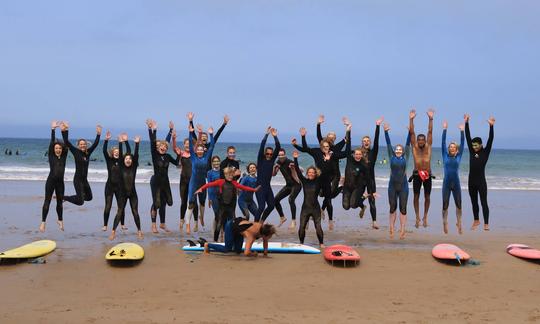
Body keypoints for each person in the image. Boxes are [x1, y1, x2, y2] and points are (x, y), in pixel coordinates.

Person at [293, 123, 351, 230]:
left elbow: (346, 153)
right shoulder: (316, 152)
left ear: (329, 146)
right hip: (317, 180)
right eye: (324, 146)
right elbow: (305, 148)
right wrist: (303, 137)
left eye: (327, 146)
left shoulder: (333, 154)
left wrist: (348, 132)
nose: (326, 148)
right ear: (321, 146)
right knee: (311, 199)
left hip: (328, 180)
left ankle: (330, 220)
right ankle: (308, 220)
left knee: (328, 200)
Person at [194, 167, 261, 242]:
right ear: (225, 175)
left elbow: (244, 187)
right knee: (219, 224)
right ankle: (215, 240)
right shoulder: (220, 182)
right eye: (228, 175)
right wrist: (201, 189)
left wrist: (254, 190)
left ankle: (231, 240)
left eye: (231, 175)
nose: (230, 176)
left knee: (232, 224)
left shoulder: (234, 183)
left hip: (231, 208)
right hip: (222, 207)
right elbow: (209, 184)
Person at [147, 119, 179, 233]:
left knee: (168, 202)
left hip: (165, 182)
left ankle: (162, 224)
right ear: (158, 147)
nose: (163, 147)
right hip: (155, 181)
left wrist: (179, 154)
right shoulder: (155, 154)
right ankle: (154, 225)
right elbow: (152, 142)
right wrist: (152, 129)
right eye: (161, 146)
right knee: (157, 203)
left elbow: (176, 163)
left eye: (165, 146)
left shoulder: (168, 156)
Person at [110, 134, 143, 240]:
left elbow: (136, 155)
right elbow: (120, 157)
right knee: (119, 212)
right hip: (122, 194)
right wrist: (120, 143)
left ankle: (139, 231)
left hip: (133, 193)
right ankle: (113, 231)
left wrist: (137, 144)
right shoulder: (121, 167)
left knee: (135, 212)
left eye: (130, 158)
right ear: (123, 161)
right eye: (126, 158)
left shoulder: (134, 168)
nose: (128, 160)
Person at [465, 114, 495, 231]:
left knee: (483, 202)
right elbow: (468, 137)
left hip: (481, 181)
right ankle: (476, 220)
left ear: (481, 145)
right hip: (471, 181)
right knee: (474, 202)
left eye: (476, 145)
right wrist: (467, 123)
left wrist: (491, 127)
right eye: (472, 145)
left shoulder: (485, 152)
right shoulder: (472, 152)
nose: (474, 147)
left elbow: (490, 139)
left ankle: (486, 223)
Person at [61, 121, 102, 206]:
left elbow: (95, 144)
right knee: (80, 202)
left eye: (84, 144)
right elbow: (66, 142)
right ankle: (64, 197)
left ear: (86, 145)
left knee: (89, 197)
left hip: (84, 180)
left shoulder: (88, 152)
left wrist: (98, 134)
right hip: (78, 180)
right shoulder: (75, 151)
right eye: (81, 144)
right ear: (78, 145)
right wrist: (65, 130)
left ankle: (76, 197)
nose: (83, 145)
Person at [184, 124, 215, 234]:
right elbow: (192, 146)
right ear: (196, 150)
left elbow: (212, 146)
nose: (200, 151)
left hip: (202, 183)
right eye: (199, 149)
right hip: (193, 183)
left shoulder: (206, 157)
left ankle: (201, 218)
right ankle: (188, 225)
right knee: (191, 203)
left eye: (202, 149)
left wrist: (211, 134)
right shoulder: (193, 157)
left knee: (202, 203)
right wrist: (190, 132)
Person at [292, 151, 325, 248]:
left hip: (315, 208)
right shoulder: (304, 181)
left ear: (315, 174)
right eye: (309, 172)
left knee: (318, 226)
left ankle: (321, 243)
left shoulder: (318, 181)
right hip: (305, 208)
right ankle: (301, 243)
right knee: (302, 226)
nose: (310, 174)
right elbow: (297, 171)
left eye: (312, 172)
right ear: (307, 173)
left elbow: (324, 170)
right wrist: (295, 159)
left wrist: (325, 160)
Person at [384, 122, 411, 239]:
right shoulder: (391, 157)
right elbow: (388, 144)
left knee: (403, 209)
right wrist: (386, 132)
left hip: (404, 187)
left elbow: (408, 143)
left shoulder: (406, 157)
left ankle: (403, 229)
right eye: (397, 149)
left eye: (400, 149)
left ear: (403, 151)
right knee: (392, 208)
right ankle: (391, 227)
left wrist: (410, 132)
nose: (398, 150)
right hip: (392, 187)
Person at [409, 108, 435, 228]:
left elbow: (430, 131)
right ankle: (417, 217)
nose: (420, 141)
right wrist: (411, 119)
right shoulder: (414, 147)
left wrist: (430, 119)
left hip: (427, 174)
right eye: (419, 140)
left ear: (425, 140)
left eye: (422, 140)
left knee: (427, 196)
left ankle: (425, 217)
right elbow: (412, 133)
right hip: (416, 174)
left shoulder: (428, 146)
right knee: (416, 196)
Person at [40, 121, 68, 232]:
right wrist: (53, 130)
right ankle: (43, 222)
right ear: (54, 149)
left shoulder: (64, 156)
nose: (58, 149)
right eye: (56, 148)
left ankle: (60, 220)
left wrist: (64, 131)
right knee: (47, 201)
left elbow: (66, 143)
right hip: (50, 181)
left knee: (59, 202)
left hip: (60, 183)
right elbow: (52, 143)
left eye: (59, 148)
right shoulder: (51, 155)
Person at [357, 117, 383, 229]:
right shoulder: (358, 154)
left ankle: (374, 222)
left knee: (372, 201)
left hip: (370, 179)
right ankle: (362, 206)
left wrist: (377, 126)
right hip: (360, 179)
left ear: (370, 142)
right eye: (364, 141)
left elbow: (377, 140)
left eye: (368, 141)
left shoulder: (373, 152)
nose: (366, 142)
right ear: (362, 143)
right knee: (357, 198)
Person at [202, 217, 276, 257]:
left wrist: (265, 253)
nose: (270, 237)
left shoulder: (262, 228)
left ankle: (234, 243)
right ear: (264, 234)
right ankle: (207, 245)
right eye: (270, 236)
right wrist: (253, 254)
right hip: (231, 226)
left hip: (240, 229)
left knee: (237, 251)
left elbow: (265, 240)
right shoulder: (251, 236)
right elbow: (246, 253)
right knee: (227, 249)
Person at [171, 131, 199, 232]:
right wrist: (174, 139)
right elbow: (174, 148)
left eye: (189, 144)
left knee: (193, 202)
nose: (188, 145)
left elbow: (198, 143)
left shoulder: (194, 153)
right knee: (183, 201)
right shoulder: (181, 153)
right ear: (184, 145)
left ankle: (196, 222)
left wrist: (198, 134)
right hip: (183, 180)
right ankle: (181, 220)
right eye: (186, 144)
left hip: (193, 181)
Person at [316, 115, 350, 199]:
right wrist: (318, 124)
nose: (331, 139)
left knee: (331, 195)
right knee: (320, 194)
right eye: (329, 137)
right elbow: (319, 136)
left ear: (335, 139)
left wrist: (347, 127)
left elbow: (346, 138)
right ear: (327, 138)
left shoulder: (337, 147)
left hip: (335, 174)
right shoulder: (324, 147)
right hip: (326, 173)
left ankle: (342, 187)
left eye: (333, 137)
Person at [441, 121, 465, 234]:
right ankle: (445, 222)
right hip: (446, 183)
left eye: (453, 147)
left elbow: (463, 143)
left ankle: (459, 222)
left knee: (459, 204)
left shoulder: (458, 157)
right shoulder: (444, 155)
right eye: (450, 147)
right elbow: (442, 142)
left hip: (456, 184)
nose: (451, 148)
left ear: (456, 149)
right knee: (445, 205)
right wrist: (444, 129)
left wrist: (462, 131)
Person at [255, 127, 281, 223]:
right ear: (265, 153)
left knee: (271, 205)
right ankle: (255, 225)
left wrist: (275, 136)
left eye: (271, 154)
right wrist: (266, 135)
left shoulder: (272, 160)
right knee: (261, 207)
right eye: (267, 153)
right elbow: (262, 146)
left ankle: (261, 221)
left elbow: (278, 147)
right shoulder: (261, 159)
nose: (269, 155)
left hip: (267, 187)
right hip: (259, 187)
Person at [102, 130, 125, 232]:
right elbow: (103, 151)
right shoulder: (109, 161)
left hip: (120, 187)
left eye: (118, 152)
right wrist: (106, 140)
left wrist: (121, 143)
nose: (116, 153)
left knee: (121, 207)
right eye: (115, 152)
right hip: (109, 187)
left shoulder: (122, 162)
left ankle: (122, 224)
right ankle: (105, 225)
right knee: (108, 206)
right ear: (112, 153)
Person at [273, 149, 302, 229]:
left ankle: (293, 221)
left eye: (282, 155)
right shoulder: (278, 162)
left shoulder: (290, 162)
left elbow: (300, 171)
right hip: (288, 185)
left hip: (297, 185)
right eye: (279, 155)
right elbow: (274, 174)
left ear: (285, 155)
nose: (281, 157)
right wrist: (274, 167)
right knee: (275, 200)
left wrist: (293, 168)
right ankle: (282, 217)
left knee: (291, 199)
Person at [207, 156, 222, 235]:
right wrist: (209, 198)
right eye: (214, 161)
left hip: (222, 196)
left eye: (217, 161)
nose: (216, 163)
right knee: (217, 214)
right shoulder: (209, 173)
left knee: (222, 214)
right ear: (212, 163)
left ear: (220, 162)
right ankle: (214, 232)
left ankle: (222, 232)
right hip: (213, 196)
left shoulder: (222, 171)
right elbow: (209, 185)